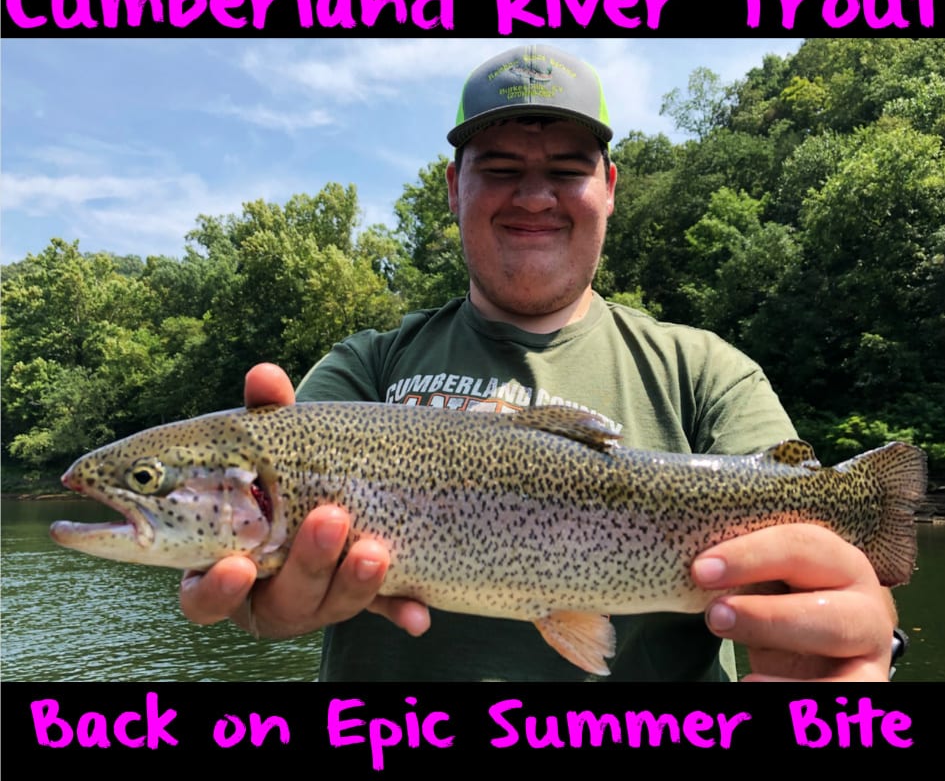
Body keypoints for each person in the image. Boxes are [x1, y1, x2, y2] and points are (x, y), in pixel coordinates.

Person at [180, 44, 897, 680]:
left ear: (609, 188)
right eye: (499, 168)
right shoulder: (365, 369)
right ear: (453, 187)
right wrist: (258, 591)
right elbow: (273, 518)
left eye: (565, 168)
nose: (533, 195)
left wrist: (863, 645)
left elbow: (828, 567)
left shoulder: (706, 372)